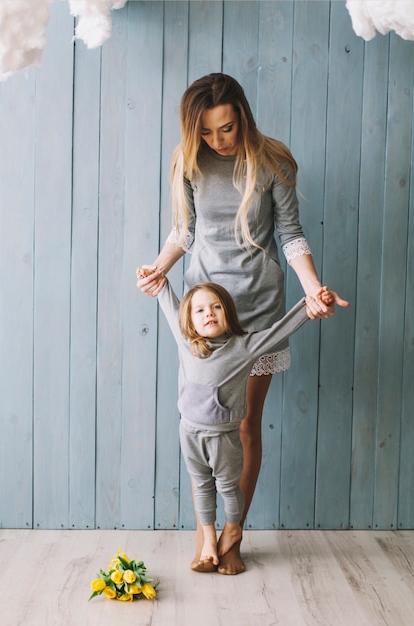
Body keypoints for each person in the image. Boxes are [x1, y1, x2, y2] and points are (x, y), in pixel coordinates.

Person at [137, 73, 349, 575]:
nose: (218, 141)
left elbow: (291, 235)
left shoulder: (272, 161)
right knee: (202, 421)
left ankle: (234, 534)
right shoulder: (189, 160)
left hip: (257, 308)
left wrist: (313, 288)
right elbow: (184, 231)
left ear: (243, 117)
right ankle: (205, 535)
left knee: (244, 425)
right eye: (208, 133)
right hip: (206, 314)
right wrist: (159, 266)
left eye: (226, 129)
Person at [138, 269, 333, 568]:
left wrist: (311, 305)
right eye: (200, 310)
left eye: (216, 307)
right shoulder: (187, 343)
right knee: (201, 485)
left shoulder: (243, 347)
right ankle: (207, 541)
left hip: (223, 438)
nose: (209, 314)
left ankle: (233, 529)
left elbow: (280, 330)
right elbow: (167, 298)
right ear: (190, 320)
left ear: (227, 312)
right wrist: (157, 278)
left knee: (228, 489)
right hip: (189, 433)